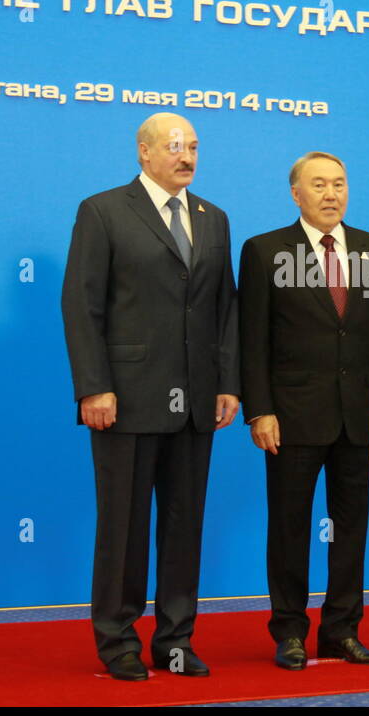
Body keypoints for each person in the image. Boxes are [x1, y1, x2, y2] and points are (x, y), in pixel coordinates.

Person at [60, 113, 240, 681]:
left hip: (196, 401)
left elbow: (224, 309)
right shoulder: (104, 211)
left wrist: (229, 383)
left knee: (184, 528)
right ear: (143, 152)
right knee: (124, 527)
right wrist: (94, 386)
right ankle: (117, 641)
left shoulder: (214, 219)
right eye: (174, 147)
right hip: (127, 398)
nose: (186, 156)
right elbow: (81, 305)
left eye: (193, 147)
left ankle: (176, 641)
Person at [238, 151, 369, 670]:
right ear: (296, 193)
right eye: (319, 185)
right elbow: (252, 340)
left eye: (339, 184)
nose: (331, 194)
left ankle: (341, 631)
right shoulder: (265, 251)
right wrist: (259, 409)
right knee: (289, 528)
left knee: (351, 527)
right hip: (290, 417)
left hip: (357, 413)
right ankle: (289, 631)